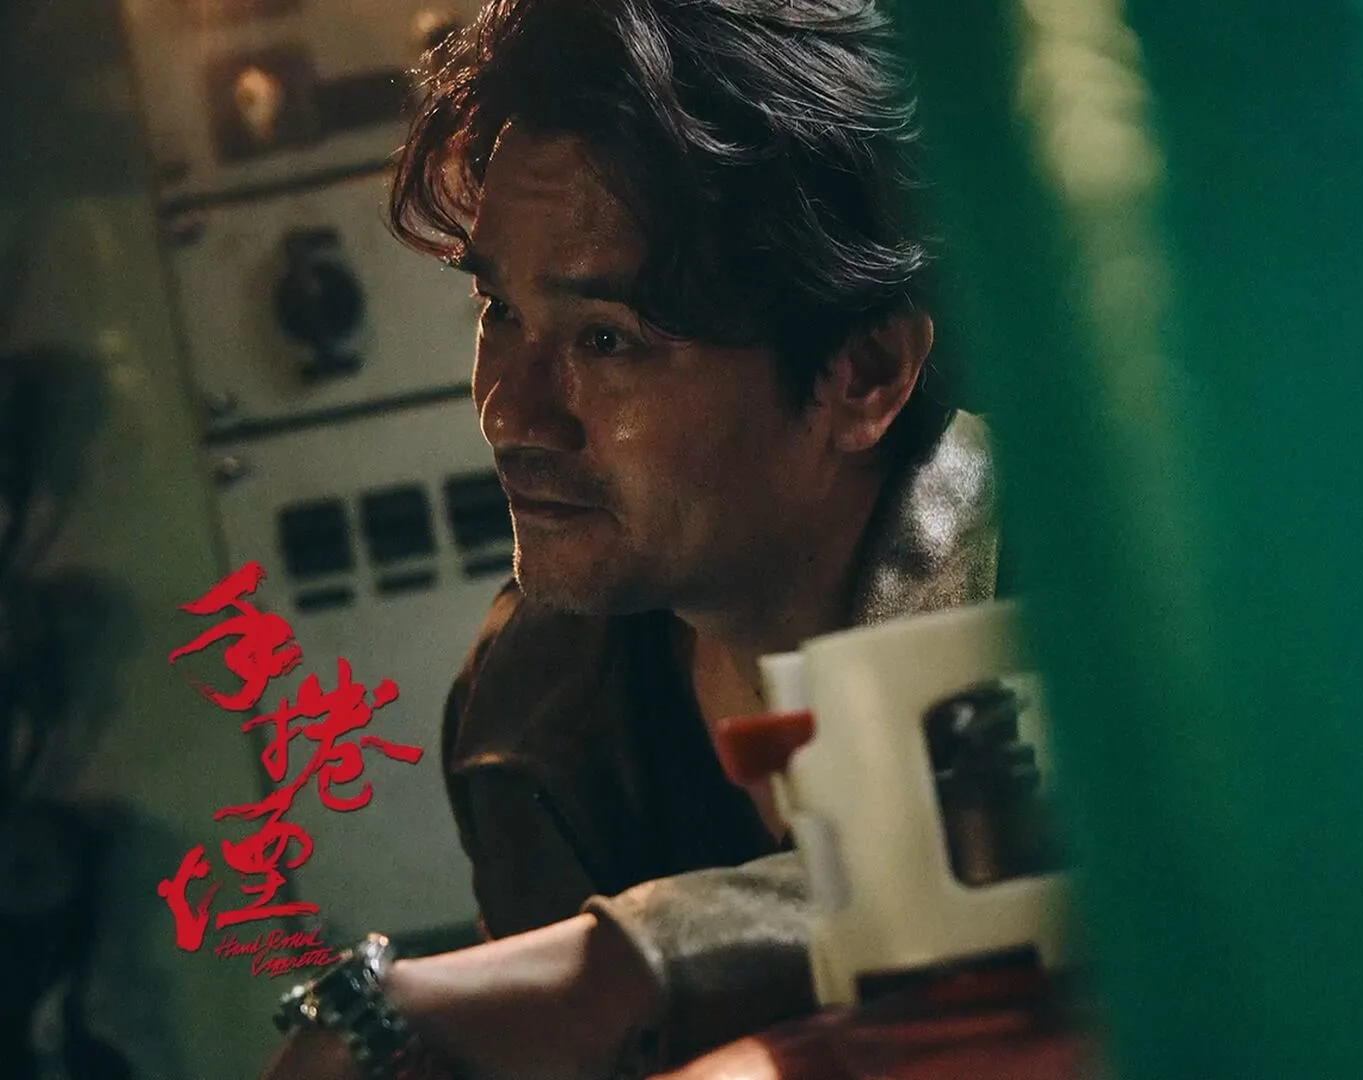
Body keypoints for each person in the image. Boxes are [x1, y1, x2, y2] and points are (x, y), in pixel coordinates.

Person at [259, 1, 1002, 1077]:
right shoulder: (527, 710)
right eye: (500, 311)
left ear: (865, 375)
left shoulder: (1090, 612)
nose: (509, 412)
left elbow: (1081, 874)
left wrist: (610, 972)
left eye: (606, 339)